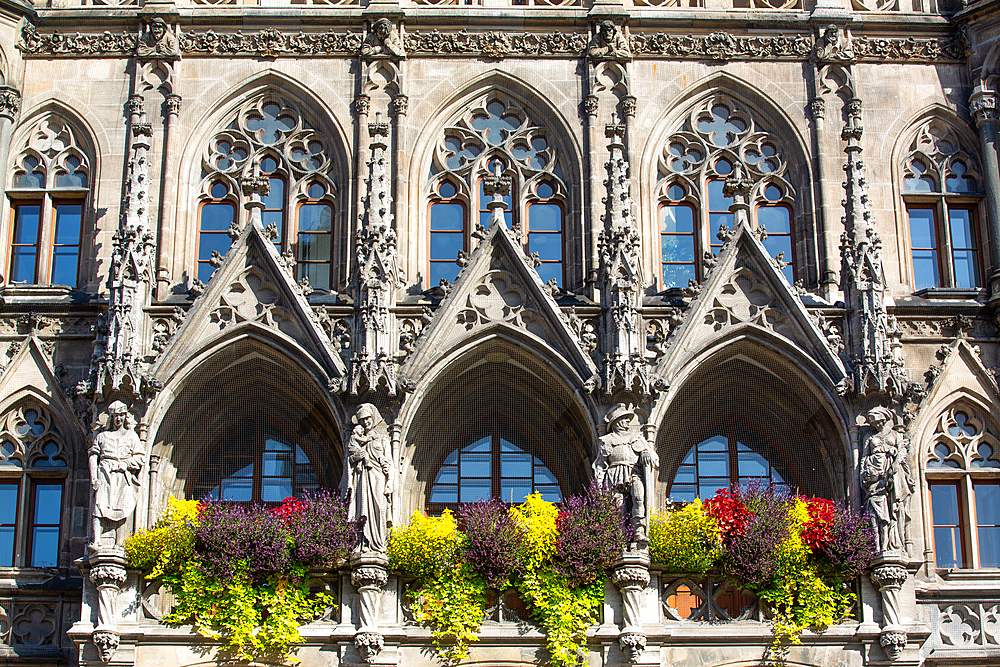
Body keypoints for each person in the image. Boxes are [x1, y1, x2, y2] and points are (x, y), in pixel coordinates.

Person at [594, 404, 657, 545]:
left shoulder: (637, 437)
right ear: (616, 422)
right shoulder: (606, 441)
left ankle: (639, 530)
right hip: (614, 474)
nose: (628, 422)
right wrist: (599, 486)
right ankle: (619, 536)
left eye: (628, 419)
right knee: (618, 506)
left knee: (638, 497)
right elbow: (600, 465)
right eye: (624, 418)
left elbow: (653, 458)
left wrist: (646, 453)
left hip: (633, 473)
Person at [89, 401, 145, 550]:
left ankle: (119, 542)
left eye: (121, 416)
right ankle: (96, 541)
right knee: (99, 506)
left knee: (123, 507)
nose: (118, 419)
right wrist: (94, 477)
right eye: (115, 416)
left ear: (125, 416)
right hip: (105, 474)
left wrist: (125, 464)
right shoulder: (103, 436)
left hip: (122, 475)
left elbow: (140, 457)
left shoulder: (131, 436)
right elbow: (93, 456)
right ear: (111, 418)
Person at [341, 403, 394, 553]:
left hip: (377, 477)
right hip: (361, 477)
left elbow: (389, 462)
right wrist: (360, 455)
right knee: (362, 507)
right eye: (362, 420)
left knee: (378, 507)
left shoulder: (382, 438)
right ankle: (362, 542)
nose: (366, 422)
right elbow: (349, 460)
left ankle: (378, 542)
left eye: (368, 419)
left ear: (373, 417)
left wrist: (389, 481)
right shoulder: (356, 440)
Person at [861, 406, 913, 553]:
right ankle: (877, 547)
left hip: (890, 473)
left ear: (884, 419)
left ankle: (893, 543)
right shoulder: (869, 438)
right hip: (874, 474)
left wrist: (895, 462)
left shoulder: (895, 435)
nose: (876, 425)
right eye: (873, 423)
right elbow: (864, 457)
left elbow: (902, 450)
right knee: (873, 512)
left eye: (878, 422)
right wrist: (865, 475)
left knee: (891, 510)